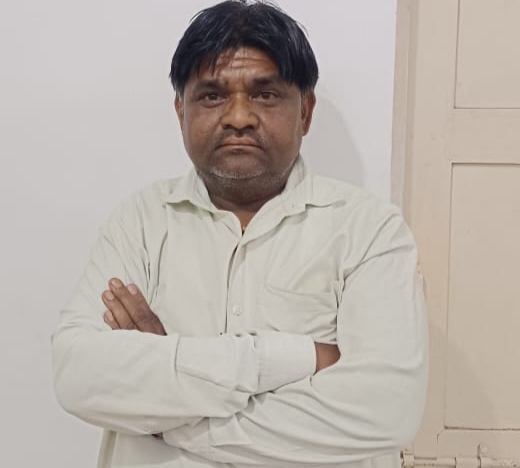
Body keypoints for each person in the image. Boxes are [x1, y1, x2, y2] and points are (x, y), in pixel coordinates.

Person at [52, 1, 428, 467]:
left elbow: (386, 409)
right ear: (180, 111)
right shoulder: (141, 222)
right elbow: (78, 374)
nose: (238, 117)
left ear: (305, 112)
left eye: (265, 94)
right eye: (212, 96)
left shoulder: (368, 230)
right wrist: (288, 359)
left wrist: (165, 411)